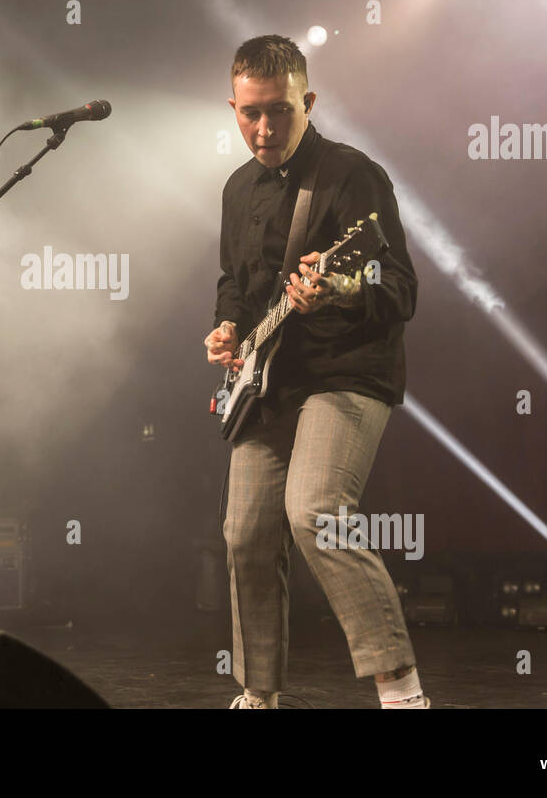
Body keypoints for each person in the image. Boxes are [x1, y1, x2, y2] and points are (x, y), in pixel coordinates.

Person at [202, 35, 428, 709]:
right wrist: (228, 329)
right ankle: (259, 693)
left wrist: (341, 290)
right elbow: (233, 282)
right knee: (243, 532)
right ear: (233, 106)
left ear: (309, 100)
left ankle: (402, 690)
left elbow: (402, 289)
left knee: (316, 512)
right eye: (249, 114)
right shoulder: (237, 188)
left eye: (279, 111)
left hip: (348, 371)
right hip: (267, 381)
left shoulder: (353, 176)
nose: (264, 128)